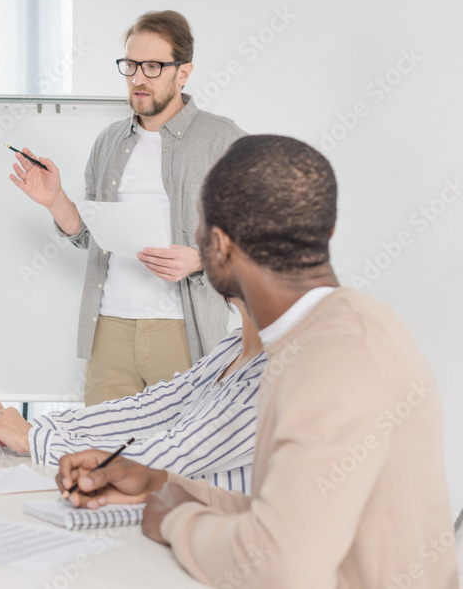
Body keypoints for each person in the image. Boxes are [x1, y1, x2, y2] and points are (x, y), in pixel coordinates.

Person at [55, 136, 458, 587]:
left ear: (218, 246)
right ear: (326, 232)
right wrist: (163, 487)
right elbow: (292, 518)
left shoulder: (336, 358)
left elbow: (279, 565)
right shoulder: (330, 332)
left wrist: (174, 520)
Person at [11, 11, 245, 405]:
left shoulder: (222, 139)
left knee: (182, 445)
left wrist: (200, 259)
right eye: (131, 65)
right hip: (109, 328)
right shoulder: (108, 142)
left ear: (183, 73)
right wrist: (55, 200)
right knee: (101, 443)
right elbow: (90, 237)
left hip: (184, 329)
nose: (138, 78)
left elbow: (257, 237)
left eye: (153, 66)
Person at [0, 297, 265, 492]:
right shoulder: (234, 345)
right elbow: (148, 410)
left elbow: (167, 456)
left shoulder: (275, 375)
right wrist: (30, 427)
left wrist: (32, 439)